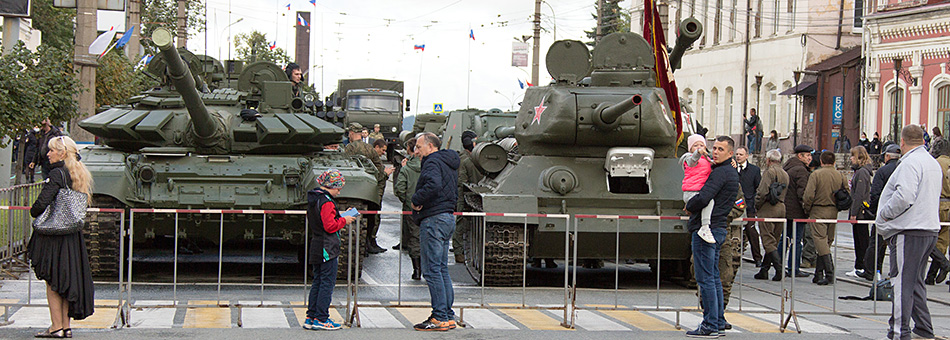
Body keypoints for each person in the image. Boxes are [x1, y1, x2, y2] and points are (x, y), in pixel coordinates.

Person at [876, 124, 941, 340]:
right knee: (915, 282)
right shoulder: (932, 163)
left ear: (902, 142)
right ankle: (923, 328)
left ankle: (898, 331)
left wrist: (885, 214)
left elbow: (904, 196)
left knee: (901, 282)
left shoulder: (909, 163)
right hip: (929, 227)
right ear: (923, 140)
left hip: (909, 229)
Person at [27, 136, 94, 338]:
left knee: (53, 281)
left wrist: (35, 210)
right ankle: (65, 326)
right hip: (71, 236)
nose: (48, 154)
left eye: (51, 150)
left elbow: (41, 204)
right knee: (65, 281)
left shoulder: (57, 173)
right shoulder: (78, 173)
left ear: (62, 153)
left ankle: (55, 326)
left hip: (54, 235)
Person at [685, 136, 739, 338]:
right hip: (718, 228)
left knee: (705, 278)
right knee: (714, 277)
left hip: (706, 229)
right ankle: (716, 322)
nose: (715, 152)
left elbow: (704, 196)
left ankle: (710, 324)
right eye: (714, 148)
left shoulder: (721, 173)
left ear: (730, 153)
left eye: (720, 149)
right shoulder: (729, 172)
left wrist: (690, 206)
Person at [411, 132, 460, 332]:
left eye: (419, 147)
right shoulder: (448, 162)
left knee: (432, 270)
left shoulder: (431, 162)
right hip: (447, 216)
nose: (416, 151)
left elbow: (433, 185)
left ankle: (439, 316)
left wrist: (416, 200)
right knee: (441, 269)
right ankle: (447, 315)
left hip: (434, 219)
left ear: (430, 146)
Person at [303, 169, 356, 331]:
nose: (339, 191)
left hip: (317, 244)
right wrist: (344, 220)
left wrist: (339, 215)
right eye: (338, 188)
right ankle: (321, 318)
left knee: (318, 281)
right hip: (327, 247)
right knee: (327, 283)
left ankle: (311, 317)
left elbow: (324, 218)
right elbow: (330, 225)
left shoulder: (315, 199)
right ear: (330, 186)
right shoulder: (326, 201)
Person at [344, 123, 394, 254]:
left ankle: (354, 244)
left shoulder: (348, 148)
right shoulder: (369, 148)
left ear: (351, 133)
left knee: (353, 215)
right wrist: (377, 179)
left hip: (353, 187)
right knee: (371, 217)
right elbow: (378, 165)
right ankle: (368, 243)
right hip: (370, 187)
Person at [803, 151, 849, 285]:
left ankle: (830, 272)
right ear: (834, 162)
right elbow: (847, 192)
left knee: (820, 240)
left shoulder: (816, 174)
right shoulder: (840, 175)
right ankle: (818, 273)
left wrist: (807, 208)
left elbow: (809, 195)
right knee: (827, 241)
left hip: (818, 209)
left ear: (821, 161)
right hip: (833, 210)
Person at [858, 144, 902, 281]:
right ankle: (896, 271)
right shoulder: (903, 169)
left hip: (884, 212)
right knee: (898, 244)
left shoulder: (883, 171)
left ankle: (870, 270)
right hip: (901, 213)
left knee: (876, 242)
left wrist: (872, 210)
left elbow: (875, 193)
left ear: (887, 156)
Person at [754, 149, 790, 281]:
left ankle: (780, 270)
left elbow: (762, 192)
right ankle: (764, 270)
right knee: (774, 240)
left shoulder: (769, 172)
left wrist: (756, 204)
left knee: (768, 240)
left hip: (768, 208)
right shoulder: (785, 173)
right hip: (781, 208)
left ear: (768, 160)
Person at [454, 130, 485, 265]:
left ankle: (463, 250)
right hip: (466, 195)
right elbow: (461, 181)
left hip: (473, 194)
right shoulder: (466, 160)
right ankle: (459, 251)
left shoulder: (466, 159)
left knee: (468, 224)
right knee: (462, 223)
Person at [395, 138, 423, 280]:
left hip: (411, 208)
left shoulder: (406, 169)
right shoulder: (430, 166)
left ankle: (417, 270)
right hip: (430, 208)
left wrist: (408, 203)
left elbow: (399, 189)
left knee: (414, 237)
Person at [783, 144, 813, 277]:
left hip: (787, 210)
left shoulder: (788, 166)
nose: (809, 158)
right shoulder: (801, 170)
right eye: (807, 155)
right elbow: (803, 193)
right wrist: (807, 209)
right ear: (800, 156)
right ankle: (793, 268)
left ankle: (778, 266)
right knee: (796, 241)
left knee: (784, 239)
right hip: (796, 212)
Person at [681, 134, 717, 244]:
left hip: (700, 190)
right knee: (709, 201)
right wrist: (698, 152)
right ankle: (705, 227)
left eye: (702, 145)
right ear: (690, 148)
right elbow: (692, 161)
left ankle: (704, 226)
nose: (699, 147)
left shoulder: (706, 159)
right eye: (695, 145)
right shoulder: (687, 158)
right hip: (692, 191)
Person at [846, 146, 873, 279]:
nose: (851, 158)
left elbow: (859, 195)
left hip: (861, 213)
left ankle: (861, 265)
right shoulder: (860, 172)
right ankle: (860, 265)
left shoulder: (862, 172)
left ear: (859, 157)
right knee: (859, 239)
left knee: (862, 239)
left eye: (853, 156)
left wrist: (853, 212)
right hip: (859, 211)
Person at [927, 138, 950, 285]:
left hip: (935, 204)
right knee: (942, 241)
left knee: (927, 239)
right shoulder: (948, 163)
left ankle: (943, 264)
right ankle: (931, 275)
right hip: (948, 205)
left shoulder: (934, 163)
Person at [735, 146, 763, 267]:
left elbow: (759, 187)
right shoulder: (732, 169)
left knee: (751, 231)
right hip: (734, 206)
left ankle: (757, 258)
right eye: (736, 154)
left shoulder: (754, 170)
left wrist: (754, 202)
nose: (738, 156)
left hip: (749, 206)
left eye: (741, 154)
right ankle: (735, 254)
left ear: (746, 156)